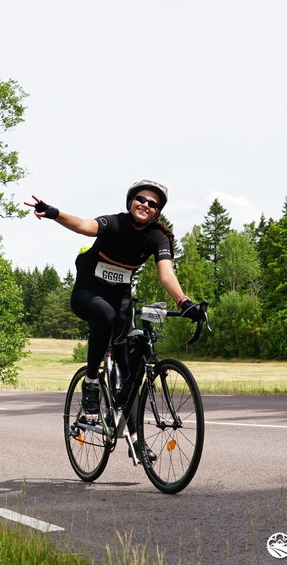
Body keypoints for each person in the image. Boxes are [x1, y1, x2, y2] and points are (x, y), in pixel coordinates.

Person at [25, 180, 201, 429]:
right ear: (131, 202)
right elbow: (85, 226)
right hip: (88, 294)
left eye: (153, 204)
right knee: (105, 315)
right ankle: (92, 381)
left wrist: (184, 302)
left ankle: (136, 440)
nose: (146, 205)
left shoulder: (157, 237)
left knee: (130, 375)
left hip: (121, 302)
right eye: (141, 199)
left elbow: (166, 274)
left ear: (157, 211)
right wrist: (54, 213)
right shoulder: (114, 223)